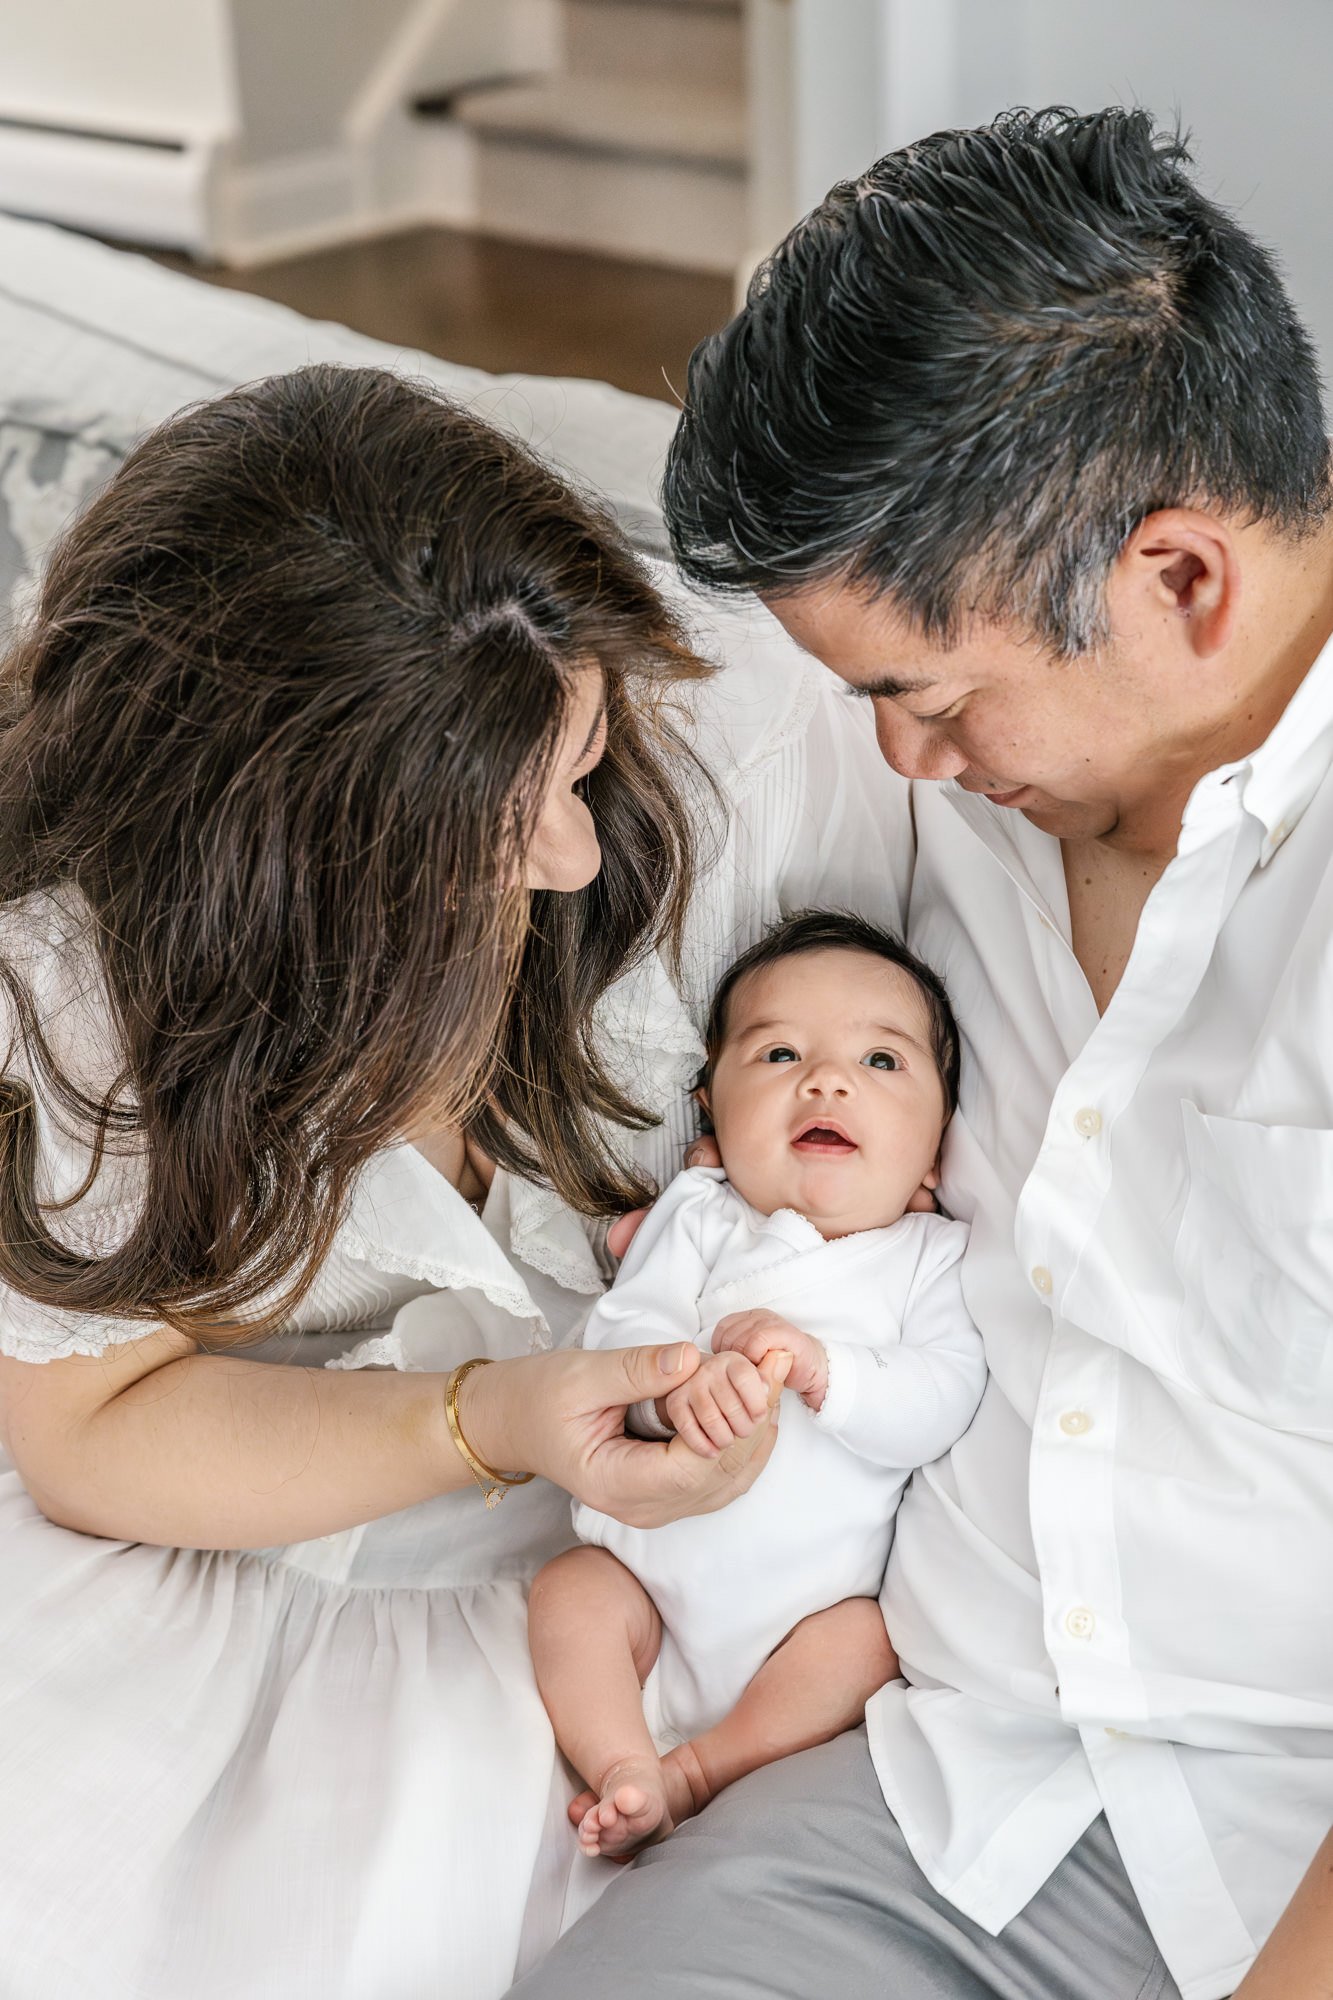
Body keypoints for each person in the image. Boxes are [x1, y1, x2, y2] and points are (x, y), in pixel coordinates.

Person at [509, 107, 1333, 2000]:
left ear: (1179, 583)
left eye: (929, 694)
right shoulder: (960, 812)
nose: (901, 755)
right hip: (960, 1788)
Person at [0, 361, 905, 2000]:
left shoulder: (737, 761)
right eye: (513, 826)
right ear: (282, 907)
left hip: (606, 1608)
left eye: (577, 757)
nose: (573, 854)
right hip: (239, 1526)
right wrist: (485, 1419)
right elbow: (92, 1432)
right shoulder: (66, 995)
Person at [528, 910, 985, 1858]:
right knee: (571, 1591)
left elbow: (941, 1400)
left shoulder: (926, 1259)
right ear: (712, 1109)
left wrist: (827, 1372)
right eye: (778, 1053)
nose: (825, 1079)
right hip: (641, 1580)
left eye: (882, 1063)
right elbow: (620, 1330)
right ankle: (620, 1758)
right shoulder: (700, 1214)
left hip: (801, 1623)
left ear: (937, 1148)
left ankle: (699, 1772)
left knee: (867, 1644)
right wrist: (667, 1391)